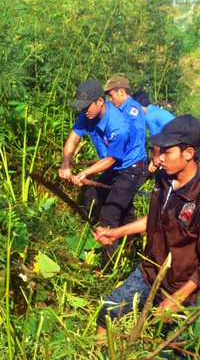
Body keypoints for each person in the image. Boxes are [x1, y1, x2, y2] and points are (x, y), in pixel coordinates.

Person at [93, 115, 200, 335]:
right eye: (158, 151)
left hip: (179, 285)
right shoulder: (164, 180)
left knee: (176, 348)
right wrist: (116, 232)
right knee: (107, 311)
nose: (159, 158)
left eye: (167, 152)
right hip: (148, 271)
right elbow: (155, 219)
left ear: (189, 153)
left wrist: (176, 299)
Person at [58, 80, 146, 270]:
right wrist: (65, 164)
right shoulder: (87, 115)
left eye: (86, 106)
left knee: (109, 214)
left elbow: (111, 160)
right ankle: (133, 248)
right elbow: (73, 138)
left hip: (131, 168)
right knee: (93, 197)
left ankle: (108, 269)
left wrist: (83, 173)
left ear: (100, 101)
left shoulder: (118, 126)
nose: (84, 111)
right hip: (114, 167)